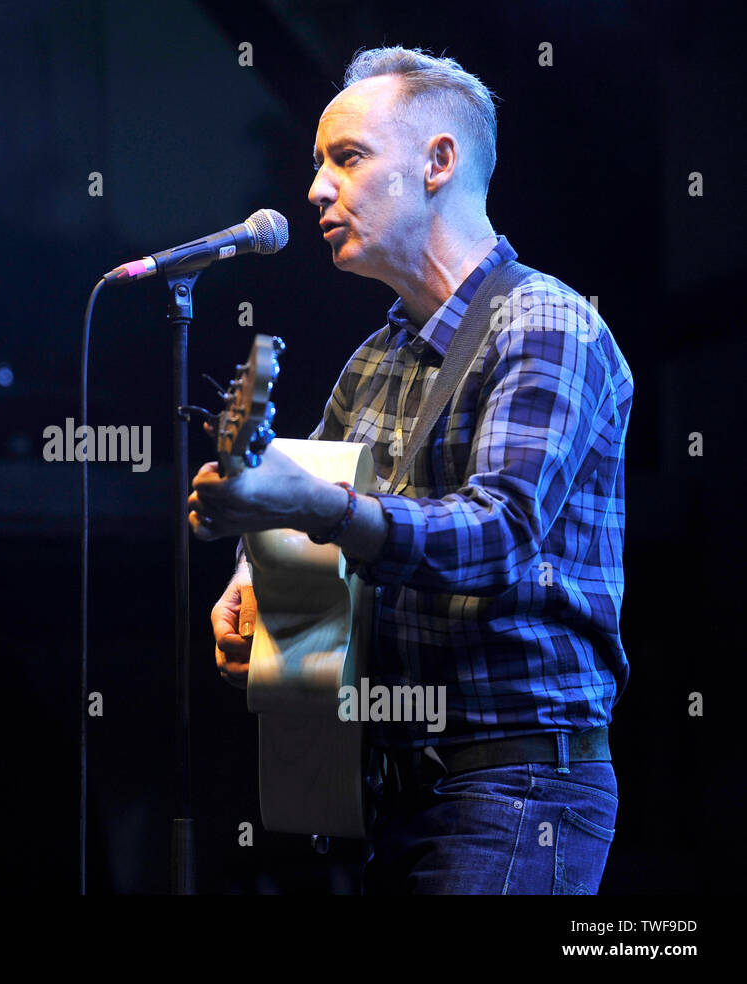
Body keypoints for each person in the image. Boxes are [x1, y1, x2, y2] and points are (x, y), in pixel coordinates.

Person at [188, 46, 634, 895]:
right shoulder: (373, 360)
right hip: (394, 790)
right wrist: (249, 574)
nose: (315, 189)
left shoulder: (547, 324)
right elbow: (301, 491)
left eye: (347, 158)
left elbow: (499, 532)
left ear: (438, 163)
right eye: (317, 163)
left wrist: (318, 508)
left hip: (516, 785)